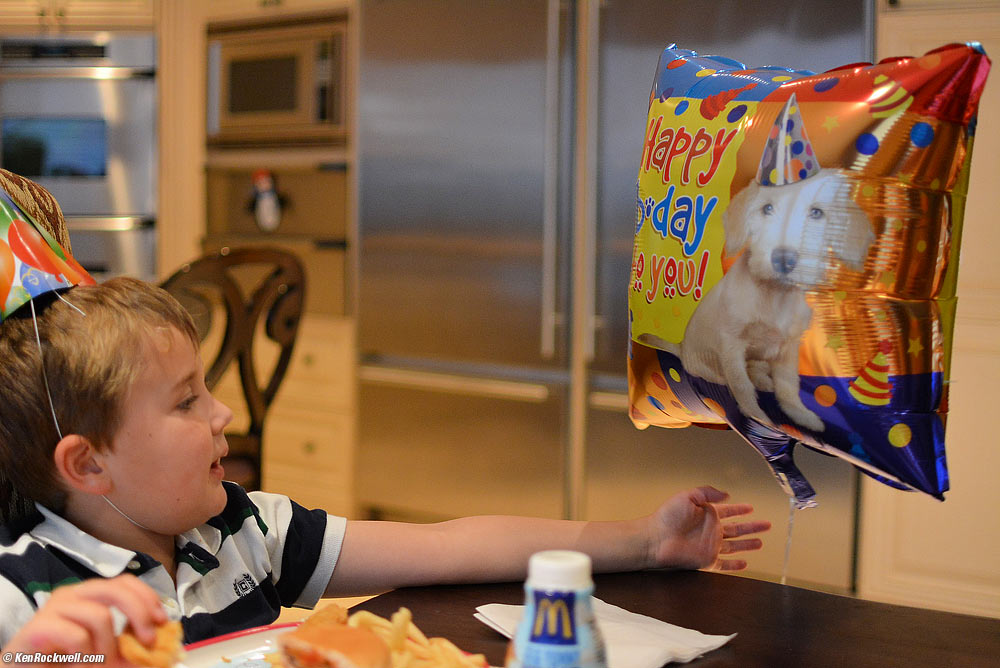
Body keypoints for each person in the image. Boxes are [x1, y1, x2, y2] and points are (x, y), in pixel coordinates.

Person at [0, 276, 770, 665]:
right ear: (89, 462)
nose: (223, 414)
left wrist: (640, 541)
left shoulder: (244, 530)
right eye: (187, 401)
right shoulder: (22, 599)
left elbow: (450, 548)